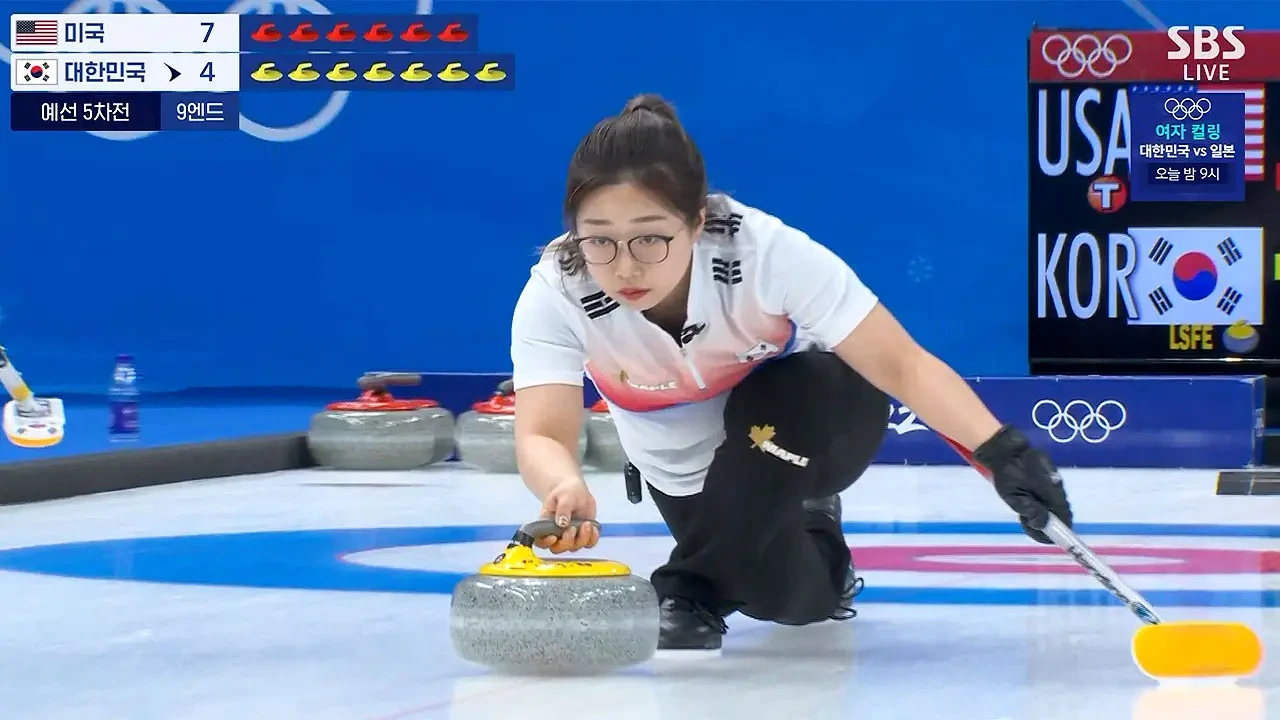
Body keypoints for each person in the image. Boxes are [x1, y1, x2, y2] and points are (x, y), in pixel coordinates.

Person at [508, 93, 1073, 651]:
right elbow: (542, 433)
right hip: (690, 470)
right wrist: (562, 483)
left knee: (772, 423)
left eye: (651, 238)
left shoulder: (761, 251)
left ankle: (684, 587)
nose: (626, 264)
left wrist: (1006, 454)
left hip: (816, 416)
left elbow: (901, 363)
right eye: (599, 240)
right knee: (784, 599)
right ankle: (818, 544)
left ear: (697, 222)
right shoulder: (558, 290)